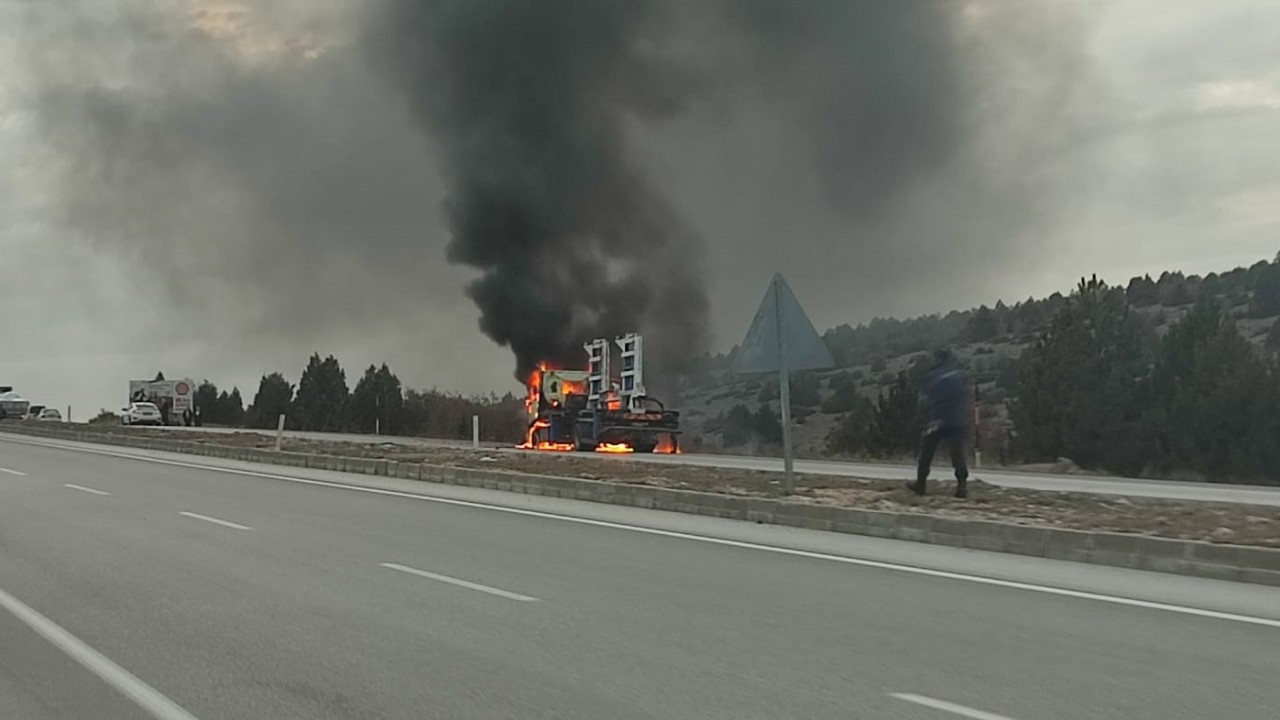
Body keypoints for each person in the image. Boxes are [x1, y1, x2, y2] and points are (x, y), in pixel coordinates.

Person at [909, 348, 970, 498]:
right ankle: (962, 486)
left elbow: (926, 398)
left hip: (938, 420)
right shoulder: (958, 375)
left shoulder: (934, 375)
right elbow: (965, 396)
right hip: (956, 420)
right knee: (957, 455)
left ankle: (920, 485)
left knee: (926, 453)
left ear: (936, 358)